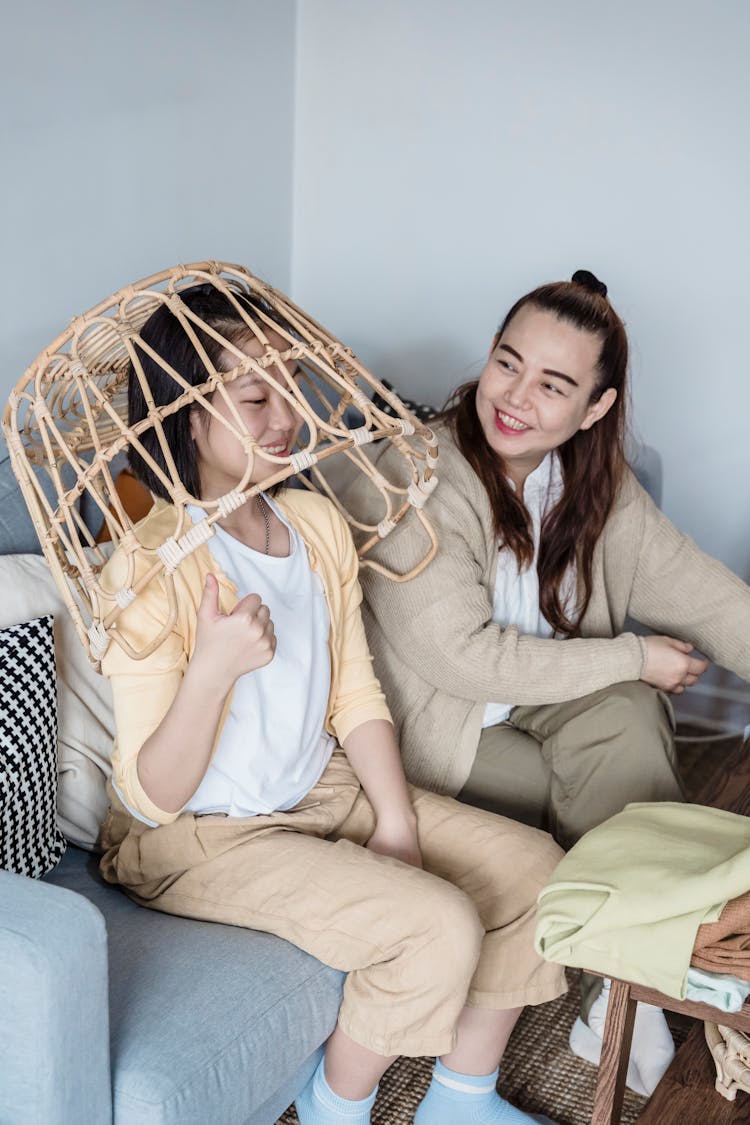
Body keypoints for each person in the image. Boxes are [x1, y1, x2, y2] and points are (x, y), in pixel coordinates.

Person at [97, 283, 566, 1125]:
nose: (285, 415)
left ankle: (461, 1099)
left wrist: (394, 821)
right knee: (438, 926)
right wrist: (212, 670)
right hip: (200, 834)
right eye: (254, 395)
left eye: (291, 386)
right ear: (188, 416)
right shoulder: (150, 565)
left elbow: (354, 688)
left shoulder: (312, 522)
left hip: (318, 787)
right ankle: (333, 1106)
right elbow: (149, 795)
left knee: (536, 872)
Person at [338, 269, 750, 1096]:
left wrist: (636, 672)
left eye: (553, 384)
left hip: (534, 700)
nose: (515, 397)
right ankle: (654, 964)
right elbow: (461, 656)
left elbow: (706, 594)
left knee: (631, 720)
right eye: (506, 362)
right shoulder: (409, 474)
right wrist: (635, 655)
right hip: (432, 729)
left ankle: (622, 980)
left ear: (594, 409)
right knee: (599, 768)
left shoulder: (596, 485)